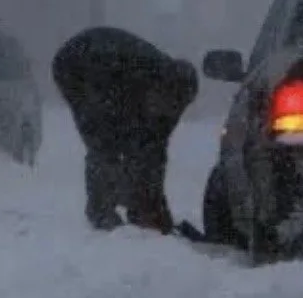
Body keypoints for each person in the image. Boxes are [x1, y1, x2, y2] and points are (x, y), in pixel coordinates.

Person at [52, 26, 199, 234]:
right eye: (168, 99)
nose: (170, 108)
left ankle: (137, 208)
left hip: (101, 66)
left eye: (177, 105)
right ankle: (101, 210)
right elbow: (135, 147)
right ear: (162, 85)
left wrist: (157, 208)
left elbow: (156, 151)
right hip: (76, 65)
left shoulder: (168, 101)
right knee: (104, 141)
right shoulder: (138, 76)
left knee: (129, 144)